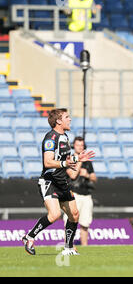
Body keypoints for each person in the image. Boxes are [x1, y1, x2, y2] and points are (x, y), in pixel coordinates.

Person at [22, 109, 95, 256]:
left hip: (62, 182)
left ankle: (68, 248)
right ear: (59, 121)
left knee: (74, 214)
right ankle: (29, 237)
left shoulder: (65, 137)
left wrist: (76, 160)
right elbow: (48, 162)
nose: (70, 119)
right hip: (49, 182)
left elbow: (65, 161)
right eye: (67, 117)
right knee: (54, 214)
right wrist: (67, 163)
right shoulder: (50, 138)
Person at [63, 137, 97, 246]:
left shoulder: (88, 162)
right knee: (70, 222)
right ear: (74, 146)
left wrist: (87, 175)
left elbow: (94, 178)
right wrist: (80, 161)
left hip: (86, 195)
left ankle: (85, 246)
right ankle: (68, 246)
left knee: (85, 224)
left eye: (82, 145)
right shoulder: (68, 159)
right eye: (78, 145)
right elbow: (72, 175)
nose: (80, 147)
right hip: (74, 194)